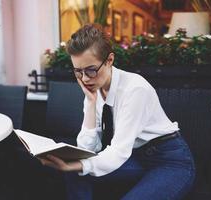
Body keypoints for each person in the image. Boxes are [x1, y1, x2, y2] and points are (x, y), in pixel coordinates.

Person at [39, 24, 195, 200]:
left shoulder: (135, 89)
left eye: (91, 70)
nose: (85, 78)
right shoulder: (93, 89)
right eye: (78, 71)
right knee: (75, 170)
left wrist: (80, 164)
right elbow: (86, 148)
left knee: (79, 167)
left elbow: (118, 151)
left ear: (109, 60)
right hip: (135, 158)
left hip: (169, 161)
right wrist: (91, 103)